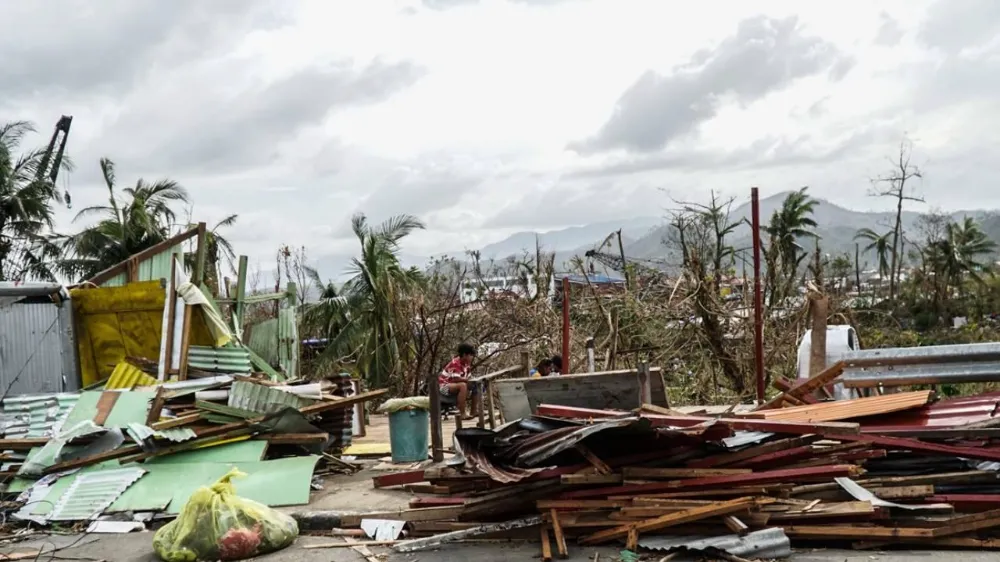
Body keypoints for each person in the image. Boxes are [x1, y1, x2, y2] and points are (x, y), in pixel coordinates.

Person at [439, 343, 480, 420]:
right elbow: (455, 379)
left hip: (454, 385)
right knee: (463, 385)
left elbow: (468, 377)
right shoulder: (455, 363)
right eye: (470, 355)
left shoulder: (466, 364)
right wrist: (468, 380)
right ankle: (462, 413)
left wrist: (473, 381)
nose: (472, 357)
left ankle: (474, 411)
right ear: (464, 355)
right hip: (444, 387)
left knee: (476, 384)